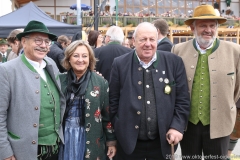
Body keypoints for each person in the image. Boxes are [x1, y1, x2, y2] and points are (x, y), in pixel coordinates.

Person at [109, 22, 190, 160]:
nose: (148, 44)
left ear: (157, 40)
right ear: (133, 41)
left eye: (152, 39)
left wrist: (177, 127)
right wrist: (118, 129)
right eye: (143, 39)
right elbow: (113, 102)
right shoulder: (119, 64)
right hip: (128, 145)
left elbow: (182, 100)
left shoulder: (174, 62)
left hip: (162, 143)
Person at [171, 4, 240, 159]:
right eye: (203, 26)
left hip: (220, 124)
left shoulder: (235, 51)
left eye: (212, 26)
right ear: (192, 28)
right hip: (188, 124)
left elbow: (237, 88)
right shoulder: (178, 50)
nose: (208, 30)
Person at [0, 20, 66, 160]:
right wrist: (4, 151)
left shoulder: (51, 64)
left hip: (54, 147)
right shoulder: (7, 70)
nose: (43, 45)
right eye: (38, 40)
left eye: (47, 41)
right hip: (23, 151)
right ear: (24, 42)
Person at [58, 40, 116, 160]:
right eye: (76, 55)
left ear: (90, 59)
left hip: (91, 138)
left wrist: (111, 141)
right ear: (68, 58)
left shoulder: (100, 82)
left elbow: (106, 114)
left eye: (85, 56)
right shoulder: (59, 80)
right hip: (64, 137)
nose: (80, 60)